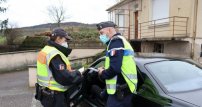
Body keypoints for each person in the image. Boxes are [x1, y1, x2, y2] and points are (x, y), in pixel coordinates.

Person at [35, 28, 83, 107]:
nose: (66, 42)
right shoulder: (54, 54)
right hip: (55, 97)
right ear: (58, 39)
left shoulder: (46, 49)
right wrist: (78, 74)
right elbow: (63, 77)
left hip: (46, 93)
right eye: (65, 40)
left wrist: (70, 72)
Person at [96, 21, 138, 107]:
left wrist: (102, 73)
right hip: (126, 87)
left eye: (101, 33)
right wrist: (106, 68)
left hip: (120, 90)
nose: (100, 36)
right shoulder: (121, 41)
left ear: (109, 30)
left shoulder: (115, 42)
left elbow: (115, 68)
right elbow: (120, 64)